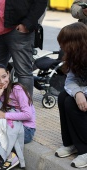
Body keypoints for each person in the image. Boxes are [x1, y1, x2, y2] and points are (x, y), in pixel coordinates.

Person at [0, 0, 48, 96]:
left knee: (23, 72)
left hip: (18, 30)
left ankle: (26, 109)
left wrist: (27, 24)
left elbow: (40, 2)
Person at [55, 22, 87, 168]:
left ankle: (85, 150)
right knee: (63, 97)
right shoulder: (75, 56)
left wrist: (80, 93)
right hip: (83, 91)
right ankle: (71, 143)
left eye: (63, 43)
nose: (61, 46)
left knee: (71, 103)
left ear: (75, 43)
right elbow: (70, 81)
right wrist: (78, 92)